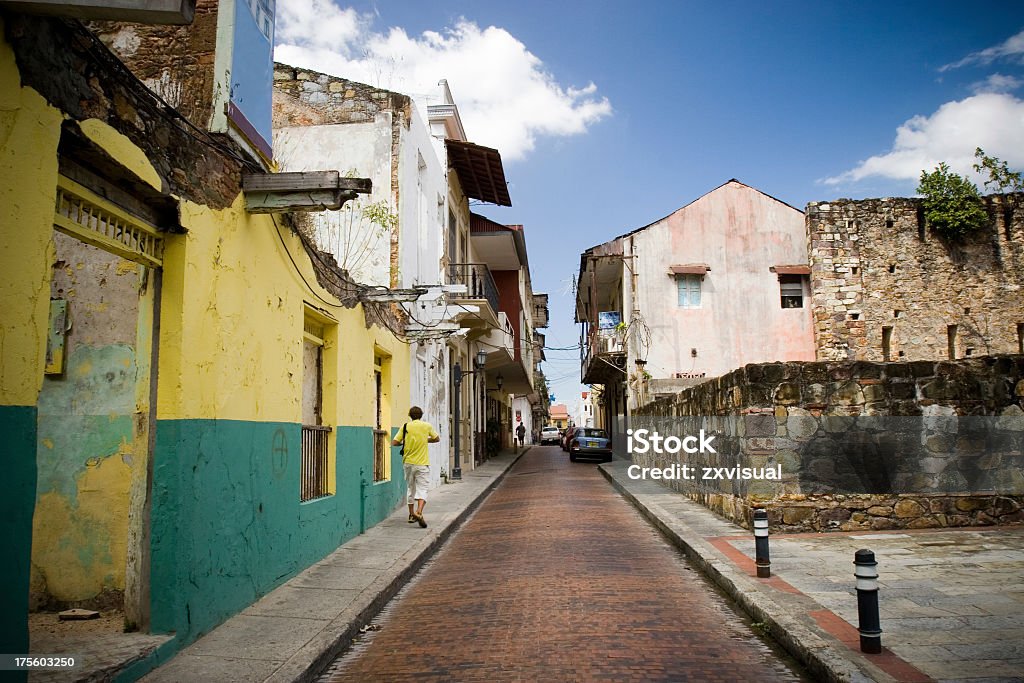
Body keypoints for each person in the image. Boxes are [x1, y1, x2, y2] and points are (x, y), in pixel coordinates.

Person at [391, 406, 439, 528]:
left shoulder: (405, 426)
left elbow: (394, 442)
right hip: (422, 463)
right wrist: (425, 440)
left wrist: (405, 442)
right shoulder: (426, 426)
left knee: (410, 488)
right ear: (421, 415)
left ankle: (411, 515)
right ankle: (419, 512)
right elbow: (436, 438)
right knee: (422, 488)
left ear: (410, 415)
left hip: (408, 463)